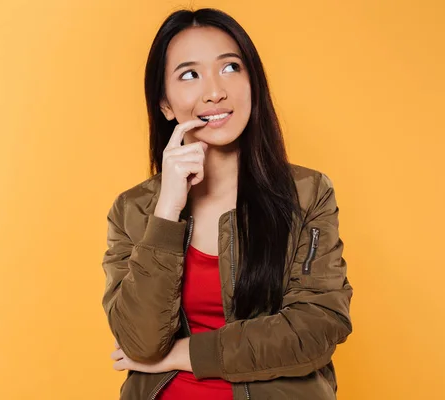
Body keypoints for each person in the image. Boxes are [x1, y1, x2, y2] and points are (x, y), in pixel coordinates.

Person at [102, 7, 352, 400]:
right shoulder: (133, 210)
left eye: (231, 68)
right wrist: (166, 210)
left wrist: (185, 354)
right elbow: (140, 342)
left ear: (253, 83)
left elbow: (317, 326)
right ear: (165, 105)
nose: (214, 91)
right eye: (189, 75)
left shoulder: (306, 193)